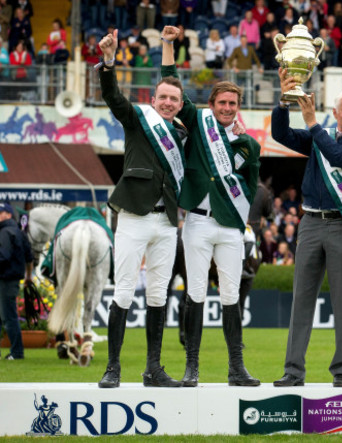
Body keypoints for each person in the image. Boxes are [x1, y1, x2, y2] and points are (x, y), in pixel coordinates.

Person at [160, 26, 261, 387]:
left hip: (231, 226)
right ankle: (192, 367)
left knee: (232, 296)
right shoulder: (200, 125)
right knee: (196, 293)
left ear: (238, 108)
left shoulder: (249, 144)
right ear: (212, 105)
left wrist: (243, 219)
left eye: (233, 104)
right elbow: (172, 85)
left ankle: (237, 368)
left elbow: (251, 186)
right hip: (198, 224)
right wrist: (168, 44)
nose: (227, 108)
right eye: (222, 103)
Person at [271, 68, 342, 387]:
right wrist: (284, 102)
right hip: (311, 223)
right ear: (336, 113)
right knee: (302, 298)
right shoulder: (321, 136)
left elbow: (339, 156)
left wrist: (313, 122)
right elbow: (281, 135)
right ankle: (293, 371)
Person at [97, 29, 187, 389]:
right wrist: (108, 61)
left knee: (158, 294)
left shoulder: (183, 132)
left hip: (166, 223)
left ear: (180, 104)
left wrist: (169, 47)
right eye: (162, 97)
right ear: (154, 99)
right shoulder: (136, 119)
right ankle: (112, 368)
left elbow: (172, 78)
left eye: (173, 99)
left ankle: (153, 368)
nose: (167, 103)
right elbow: (113, 97)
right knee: (122, 292)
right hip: (133, 217)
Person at [0, 202, 33, 360]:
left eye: (0, 213)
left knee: (8, 316)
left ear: (8, 214)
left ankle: (17, 352)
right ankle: (16, 351)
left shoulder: (5, 232)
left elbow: (3, 256)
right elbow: (29, 257)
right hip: (14, 279)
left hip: (5, 279)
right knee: (6, 316)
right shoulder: (19, 232)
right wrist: (28, 277)